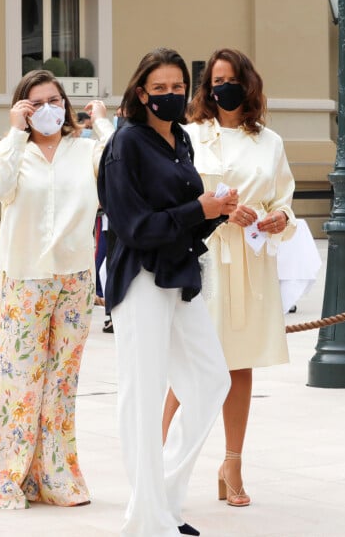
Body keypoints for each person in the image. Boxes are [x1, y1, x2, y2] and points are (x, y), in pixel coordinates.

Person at [98, 47, 237, 537]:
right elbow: (134, 227)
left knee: (210, 380)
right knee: (143, 392)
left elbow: (183, 217)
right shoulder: (125, 145)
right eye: (161, 88)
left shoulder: (180, 139)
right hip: (139, 278)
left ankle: (161, 500)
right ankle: (147, 520)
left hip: (179, 275)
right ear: (141, 92)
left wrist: (214, 210)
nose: (171, 95)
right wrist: (198, 209)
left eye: (179, 87)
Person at [0, 69, 113, 511]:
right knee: (20, 382)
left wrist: (104, 122)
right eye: (36, 103)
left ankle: (56, 477)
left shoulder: (85, 150)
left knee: (61, 383)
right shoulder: (14, 151)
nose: (48, 109)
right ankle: (5, 479)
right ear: (22, 108)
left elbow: (121, 169)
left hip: (75, 280)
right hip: (25, 279)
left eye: (54, 100)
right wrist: (15, 133)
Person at [162, 48, 296, 508]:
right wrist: (218, 209)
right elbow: (179, 191)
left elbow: (284, 197)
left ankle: (232, 464)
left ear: (248, 84)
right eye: (217, 80)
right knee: (189, 364)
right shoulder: (192, 135)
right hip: (206, 258)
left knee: (239, 364)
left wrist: (279, 217)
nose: (225, 87)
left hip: (253, 262)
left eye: (232, 79)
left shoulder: (269, 142)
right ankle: (157, 463)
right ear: (207, 87)